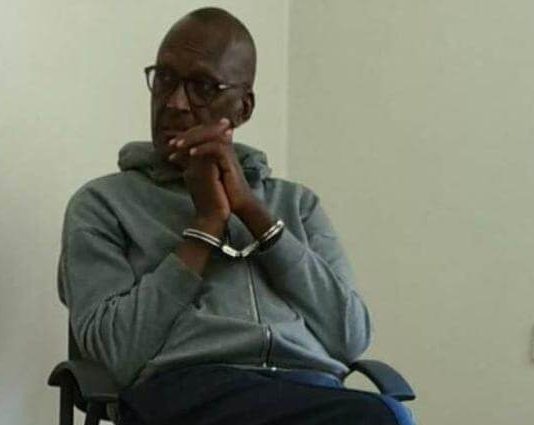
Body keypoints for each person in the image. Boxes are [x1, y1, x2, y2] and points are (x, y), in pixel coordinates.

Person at [57, 7, 414, 425]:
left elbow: (350, 337)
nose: (175, 103)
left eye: (202, 87)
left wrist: (252, 213)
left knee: (384, 416)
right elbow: (114, 354)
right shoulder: (103, 204)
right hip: (186, 392)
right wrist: (206, 226)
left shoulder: (298, 205)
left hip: (307, 393)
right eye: (166, 79)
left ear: (243, 109)